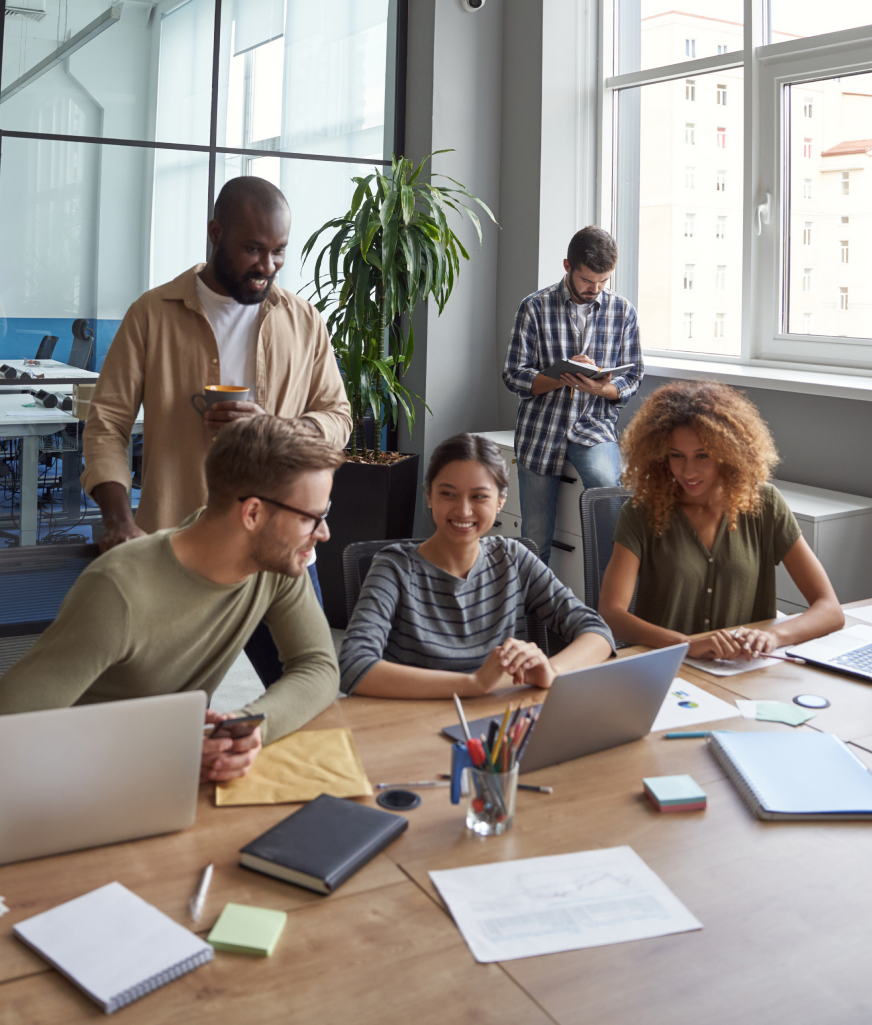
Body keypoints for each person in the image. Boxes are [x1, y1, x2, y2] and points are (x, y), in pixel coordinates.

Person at [80, 175, 352, 688]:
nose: (266, 267)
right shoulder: (151, 315)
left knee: (307, 689)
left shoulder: (304, 321)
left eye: (278, 252)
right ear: (214, 233)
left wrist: (275, 428)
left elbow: (338, 419)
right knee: (160, 708)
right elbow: (107, 424)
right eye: (252, 249)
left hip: (281, 550)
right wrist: (118, 519)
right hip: (177, 551)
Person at [0, 415, 344, 782]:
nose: (323, 533)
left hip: (162, 781)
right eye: (312, 518)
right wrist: (165, 751)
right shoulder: (118, 590)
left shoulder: (276, 563)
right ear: (252, 513)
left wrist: (250, 729)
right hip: (75, 781)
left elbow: (318, 666)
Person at [338, 433, 615, 698]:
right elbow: (354, 667)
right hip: (417, 725)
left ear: (500, 501)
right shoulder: (394, 568)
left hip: (500, 723)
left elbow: (597, 632)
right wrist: (473, 684)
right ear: (429, 496)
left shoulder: (514, 559)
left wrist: (552, 670)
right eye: (448, 494)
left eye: (479, 496)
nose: (464, 510)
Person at [598, 381, 844, 659]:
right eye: (676, 456)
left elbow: (830, 610)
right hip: (669, 667)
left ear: (728, 452)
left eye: (702, 455)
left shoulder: (765, 505)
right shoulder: (641, 512)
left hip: (746, 668)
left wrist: (772, 636)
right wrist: (685, 645)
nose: (688, 471)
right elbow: (611, 614)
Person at [502, 225, 644, 567]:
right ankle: (531, 618)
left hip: (593, 426)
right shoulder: (534, 307)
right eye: (586, 280)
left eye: (603, 282)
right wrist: (560, 376)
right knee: (535, 538)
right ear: (568, 266)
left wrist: (601, 389)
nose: (594, 289)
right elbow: (513, 376)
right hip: (540, 431)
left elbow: (634, 375)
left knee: (610, 496)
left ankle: (609, 610)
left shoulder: (622, 312)